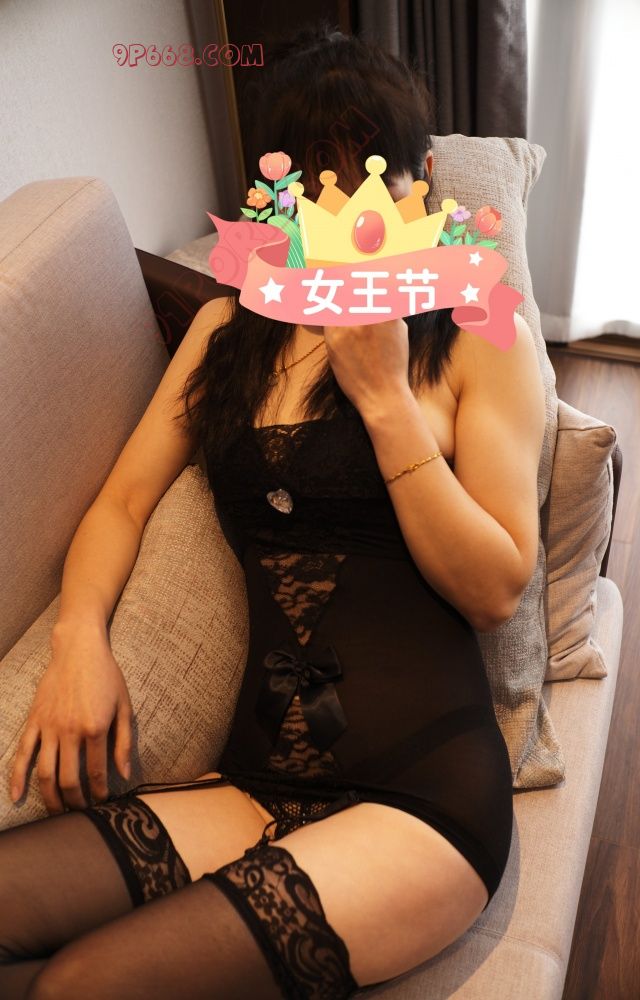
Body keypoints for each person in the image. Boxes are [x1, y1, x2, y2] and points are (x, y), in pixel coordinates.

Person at [0, 22, 546, 1000]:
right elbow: (121, 502)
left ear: (419, 181)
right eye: (317, 179)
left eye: (370, 174)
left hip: (420, 794)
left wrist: (385, 401)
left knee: (79, 984)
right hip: (254, 781)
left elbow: (496, 586)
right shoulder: (228, 331)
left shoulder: (477, 331)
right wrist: (81, 637)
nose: (345, 208)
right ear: (279, 189)